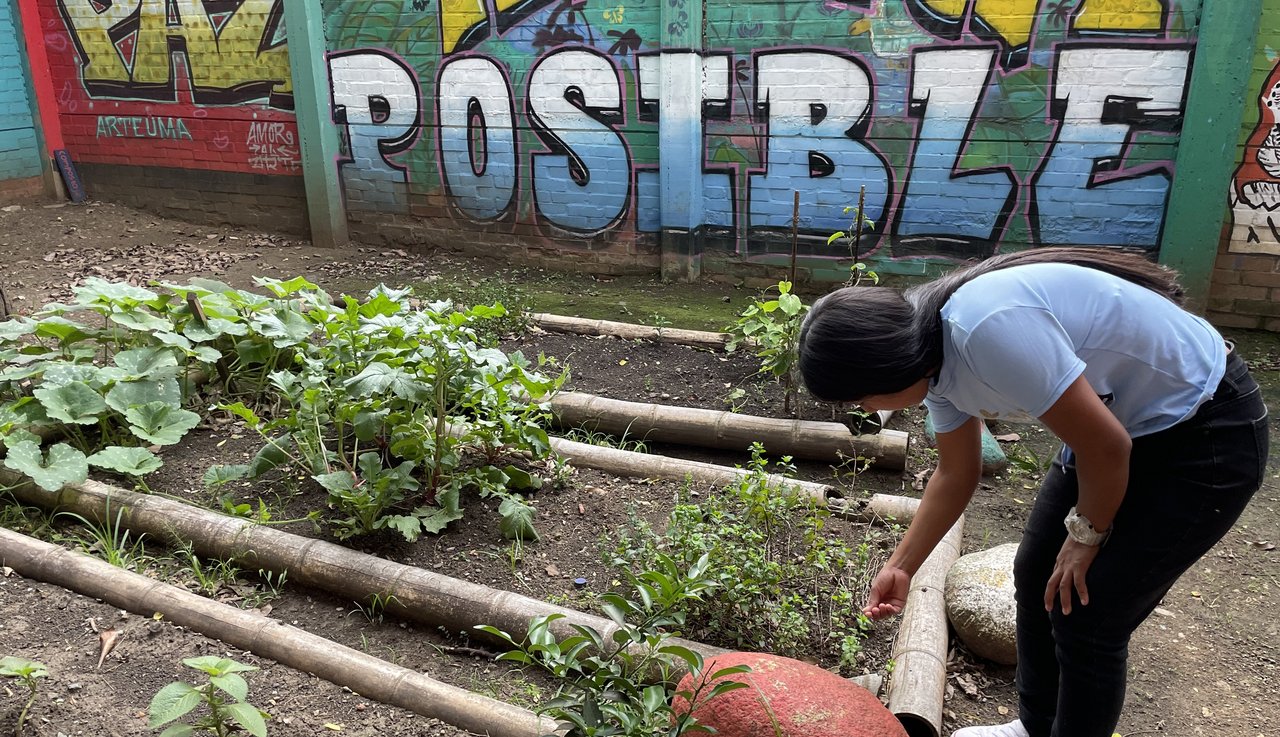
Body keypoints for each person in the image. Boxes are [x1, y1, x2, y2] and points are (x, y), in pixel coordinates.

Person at [797, 247, 1268, 737]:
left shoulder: (985, 330)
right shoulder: (929, 356)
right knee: (1037, 574)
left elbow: (1107, 448)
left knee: (1089, 617)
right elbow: (957, 473)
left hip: (1204, 433)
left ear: (882, 369)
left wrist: (1087, 535)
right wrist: (901, 567)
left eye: (857, 396)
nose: (861, 406)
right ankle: (1037, 726)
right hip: (1120, 427)